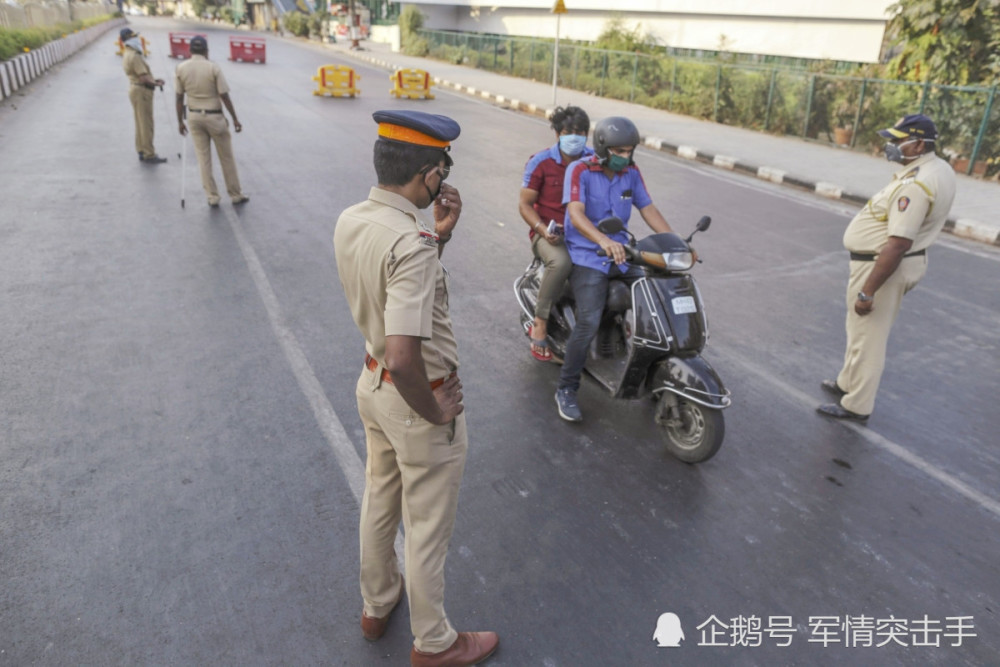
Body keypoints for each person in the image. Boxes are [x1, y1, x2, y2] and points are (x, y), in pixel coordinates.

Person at [333, 110, 499, 667]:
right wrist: (434, 411)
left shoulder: (355, 219)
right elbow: (407, 358)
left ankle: (376, 604)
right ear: (429, 175)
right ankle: (436, 645)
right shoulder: (412, 243)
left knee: (381, 497)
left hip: (372, 384)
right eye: (442, 172)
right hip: (413, 397)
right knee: (426, 528)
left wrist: (438, 238)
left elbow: (397, 295)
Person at [818, 113, 956, 421]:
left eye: (898, 141)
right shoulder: (936, 168)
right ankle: (847, 383)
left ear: (919, 143)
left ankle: (857, 405)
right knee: (859, 331)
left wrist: (868, 292)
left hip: (883, 267)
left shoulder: (917, 185)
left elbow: (897, 244)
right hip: (888, 262)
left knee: (870, 337)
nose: (891, 146)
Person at [554, 116, 675, 422]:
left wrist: (674, 243)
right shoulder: (579, 170)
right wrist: (603, 240)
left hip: (624, 254)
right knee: (589, 322)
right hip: (588, 255)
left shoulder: (631, 173)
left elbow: (648, 208)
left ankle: (659, 376)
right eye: (619, 151)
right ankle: (566, 388)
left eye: (630, 151)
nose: (626, 157)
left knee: (659, 302)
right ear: (604, 149)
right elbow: (576, 214)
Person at [519, 105, 593, 362]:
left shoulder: (594, 161)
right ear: (558, 134)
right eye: (568, 132)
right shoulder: (540, 162)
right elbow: (525, 205)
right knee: (561, 262)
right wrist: (541, 229)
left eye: (580, 132)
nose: (575, 137)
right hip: (550, 234)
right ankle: (540, 322)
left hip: (586, 232)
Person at [174, 36, 249, 207]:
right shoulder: (213, 68)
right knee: (226, 157)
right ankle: (235, 194)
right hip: (215, 117)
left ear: (190, 51)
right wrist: (235, 118)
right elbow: (224, 95)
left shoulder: (180, 68)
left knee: (203, 159)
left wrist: (180, 122)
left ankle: (212, 196)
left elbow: (179, 98)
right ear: (206, 51)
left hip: (194, 118)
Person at [120, 27, 166, 164]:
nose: (136, 39)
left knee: (140, 122)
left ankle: (141, 149)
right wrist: (156, 83)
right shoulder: (135, 56)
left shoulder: (127, 53)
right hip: (142, 91)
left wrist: (153, 81)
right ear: (129, 39)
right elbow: (143, 77)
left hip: (135, 89)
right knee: (146, 123)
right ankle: (149, 153)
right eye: (133, 37)